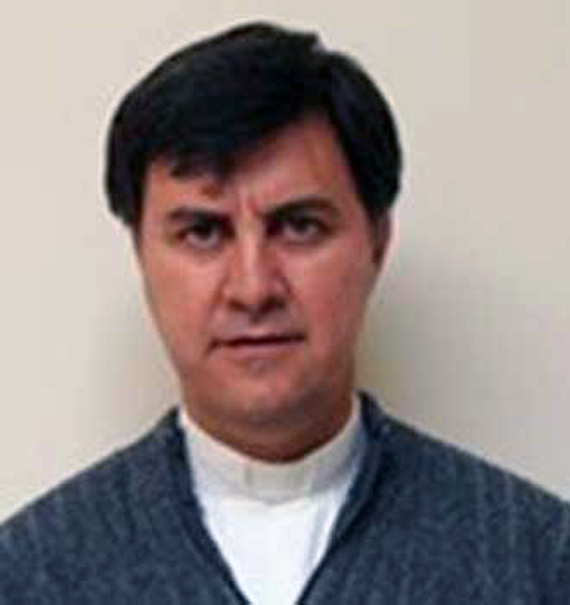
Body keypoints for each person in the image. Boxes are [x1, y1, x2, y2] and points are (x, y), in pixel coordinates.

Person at [0, 21, 568, 605]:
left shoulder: (537, 561)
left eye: (299, 227)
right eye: (203, 232)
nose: (253, 289)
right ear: (141, 254)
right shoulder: (29, 574)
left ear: (376, 243)